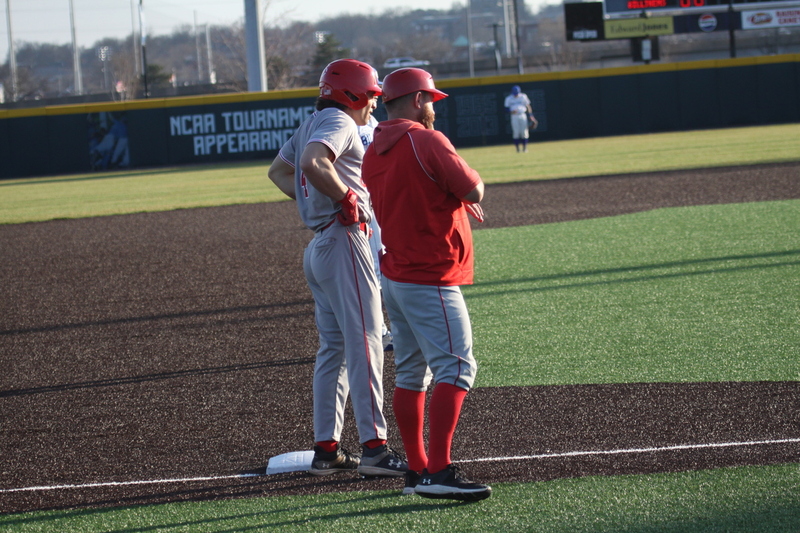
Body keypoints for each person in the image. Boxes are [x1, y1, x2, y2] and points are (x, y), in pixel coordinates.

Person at [267, 59, 407, 479]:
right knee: (366, 344)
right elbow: (313, 163)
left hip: (321, 247)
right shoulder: (341, 121)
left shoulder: (313, 120)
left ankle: (327, 449)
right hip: (345, 242)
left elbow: (279, 172)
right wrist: (344, 197)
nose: (374, 105)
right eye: (371, 96)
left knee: (334, 350)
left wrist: (314, 202)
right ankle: (375, 449)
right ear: (352, 95)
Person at [362, 67, 491, 502]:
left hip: (395, 272)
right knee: (457, 368)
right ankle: (439, 471)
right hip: (428, 274)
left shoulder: (373, 149)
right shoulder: (426, 139)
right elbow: (473, 189)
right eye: (430, 99)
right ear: (417, 100)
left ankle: (416, 471)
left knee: (414, 373)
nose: (434, 107)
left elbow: (413, 193)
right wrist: (464, 192)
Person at [358, 112, 394, 353]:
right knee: (370, 272)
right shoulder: (341, 125)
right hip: (361, 209)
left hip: (378, 205)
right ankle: (378, 332)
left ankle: (384, 330)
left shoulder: (374, 125)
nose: (374, 100)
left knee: (381, 268)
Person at [504, 85, 537, 153]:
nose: (515, 95)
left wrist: (531, 115)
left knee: (524, 132)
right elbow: (506, 108)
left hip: (522, 115)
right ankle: (517, 149)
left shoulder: (523, 96)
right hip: (514, 116)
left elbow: (528, 106)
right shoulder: (509, 98)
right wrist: (511, 111)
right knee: (516, 132)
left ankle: (525, 149)